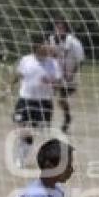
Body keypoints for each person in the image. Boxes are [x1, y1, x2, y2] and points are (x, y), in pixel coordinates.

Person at [9, 39, 61, 168]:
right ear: (36, 47)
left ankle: (44, 157)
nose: (48, 47)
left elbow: (59, 83)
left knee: (39, 132)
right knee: (22, 128)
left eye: (48, 45)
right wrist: (9, 86)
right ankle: (20, 159)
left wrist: (50, 82)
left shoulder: (53, 63)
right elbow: (19, 75)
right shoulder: (26, 60)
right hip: (25, 99)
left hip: (43, 102)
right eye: (44, 45)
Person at [48, 19, 85, 133]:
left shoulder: (74, 43)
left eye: (61, 28)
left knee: (61, 100)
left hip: (70, 76)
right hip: (56, 75)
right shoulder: (51, 40)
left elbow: (80, 60)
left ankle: (67, 118)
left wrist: (71, 75)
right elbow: (50, 55)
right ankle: (45, 121)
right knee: (46, 97)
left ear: (66, 30)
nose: (58, 31)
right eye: (56, 28)